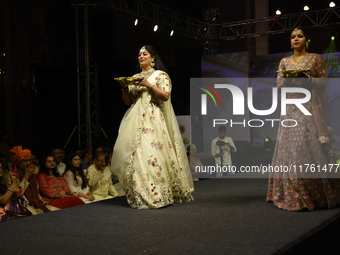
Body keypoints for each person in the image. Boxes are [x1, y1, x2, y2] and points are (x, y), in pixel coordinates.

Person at [111, 45, 194, 209]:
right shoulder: (134, 77)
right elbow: (128, 102)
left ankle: (158, 194)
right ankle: (141, 195)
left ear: (153, 57)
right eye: (139, 54)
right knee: (135, 157)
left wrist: (148, 85)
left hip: (152, 119)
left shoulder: (159, 75)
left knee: (151, 155)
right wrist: (124, 89)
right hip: (134, 119)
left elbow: (165, 96)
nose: (141, 56)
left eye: (145, 54)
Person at [266, 27, 340, 211]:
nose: (296, 39)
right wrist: (287, 80)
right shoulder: (284, 61)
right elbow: (279, 85)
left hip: (309, 106)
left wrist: (308, 80)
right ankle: (293, 191)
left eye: (299, 36)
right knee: (288, 148)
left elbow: (323, 81)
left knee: (304, 144)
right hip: (290, 107)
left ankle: (312, 191)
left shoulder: (316, 58)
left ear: (307, 39)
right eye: (293, 37)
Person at [5, 146, 59, 215]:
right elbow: (17, 195)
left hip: (36, 203)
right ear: (18, 162)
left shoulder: (32, 171)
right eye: (25, 161)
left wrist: (40, 199)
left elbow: (35, 188)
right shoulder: (11, 175)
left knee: (58, 211)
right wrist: (26, 177)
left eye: (29, 160)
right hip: (22, 205)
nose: (28, 163)